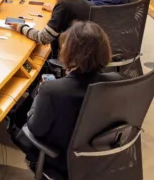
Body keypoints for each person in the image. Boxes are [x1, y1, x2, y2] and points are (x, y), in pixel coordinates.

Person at [15, 21, 120, 171]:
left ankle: (39, 167)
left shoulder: (51, 90)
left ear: (69, 53)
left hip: (62, 159)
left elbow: (35, 129)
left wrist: (38, 96)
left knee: (16, 121)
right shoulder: (117, 81)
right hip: (101, 154)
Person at [7, 0, 91, 57]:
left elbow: (43, 38)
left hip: (65, 56)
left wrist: (20, 27)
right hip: (80, 54)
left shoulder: (64, 6)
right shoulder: (84, 2)